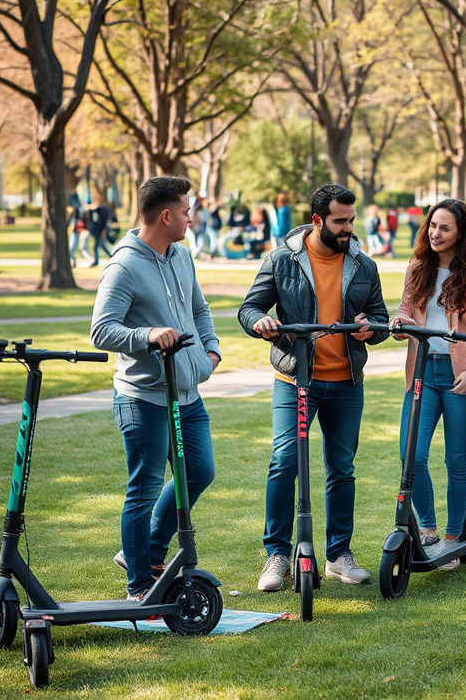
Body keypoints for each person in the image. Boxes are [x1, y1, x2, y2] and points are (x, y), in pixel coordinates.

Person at [238, 183, 390, 592]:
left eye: (351, 220)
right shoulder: (281, 260)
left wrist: (369, 330)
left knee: (342, 470)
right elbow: (249, 307)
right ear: (318, 219)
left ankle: (339, 554)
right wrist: (260, 322)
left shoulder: (363, 264)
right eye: (340, 221)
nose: (348, 229)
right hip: (295, 379)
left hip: (345, 383)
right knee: (285, 462)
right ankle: (278, 555)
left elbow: (379, 319)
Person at [90, 176, 222, 600]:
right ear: (166, 215)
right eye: (186, 210)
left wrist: (210, 354)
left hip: (187, 395)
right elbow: (101, 331)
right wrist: (148, 335)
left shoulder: (181, 256)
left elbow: (198, 310)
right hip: (142, 398)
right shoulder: (124, 266)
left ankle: (144, 551)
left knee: (199, 472)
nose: (191, 217)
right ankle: (139, 585)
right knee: (144, 488)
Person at [391, 199, 466, 569]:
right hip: (421, 373)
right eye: (432, 225)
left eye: (445, 228)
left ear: (460, 233)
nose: (435, 233)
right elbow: (406, 309)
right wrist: (399, 321)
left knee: (456, 460)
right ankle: (430, 530)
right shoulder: (418, 268)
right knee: (411, 456)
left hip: (460, 377)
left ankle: (454, 537)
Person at [86, 190, 113, 267]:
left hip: (101, 230)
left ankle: (97, 261)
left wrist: (104, 230)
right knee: (102, 246)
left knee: (98, 247)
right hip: (96, 231)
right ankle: (109, 258)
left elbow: (104, 220)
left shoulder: (102, 209)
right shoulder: (91, 209)